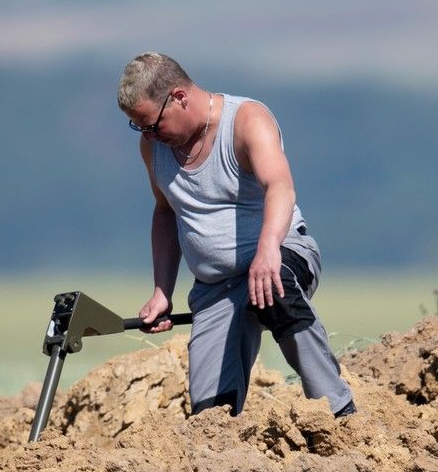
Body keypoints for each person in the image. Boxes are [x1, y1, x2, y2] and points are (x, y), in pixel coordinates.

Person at [117, 52, 356, 418]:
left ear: (179, 97)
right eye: (140, 128)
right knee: (211, 419)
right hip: (217, 286)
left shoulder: (246, 120)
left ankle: (339, 410)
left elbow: (280, 187)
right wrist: (161, 291)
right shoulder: (153, 147)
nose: (149, 135)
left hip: (281, 253)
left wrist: (266, 251)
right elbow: (165, 212)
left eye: (152, 124)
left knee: (273, 294)